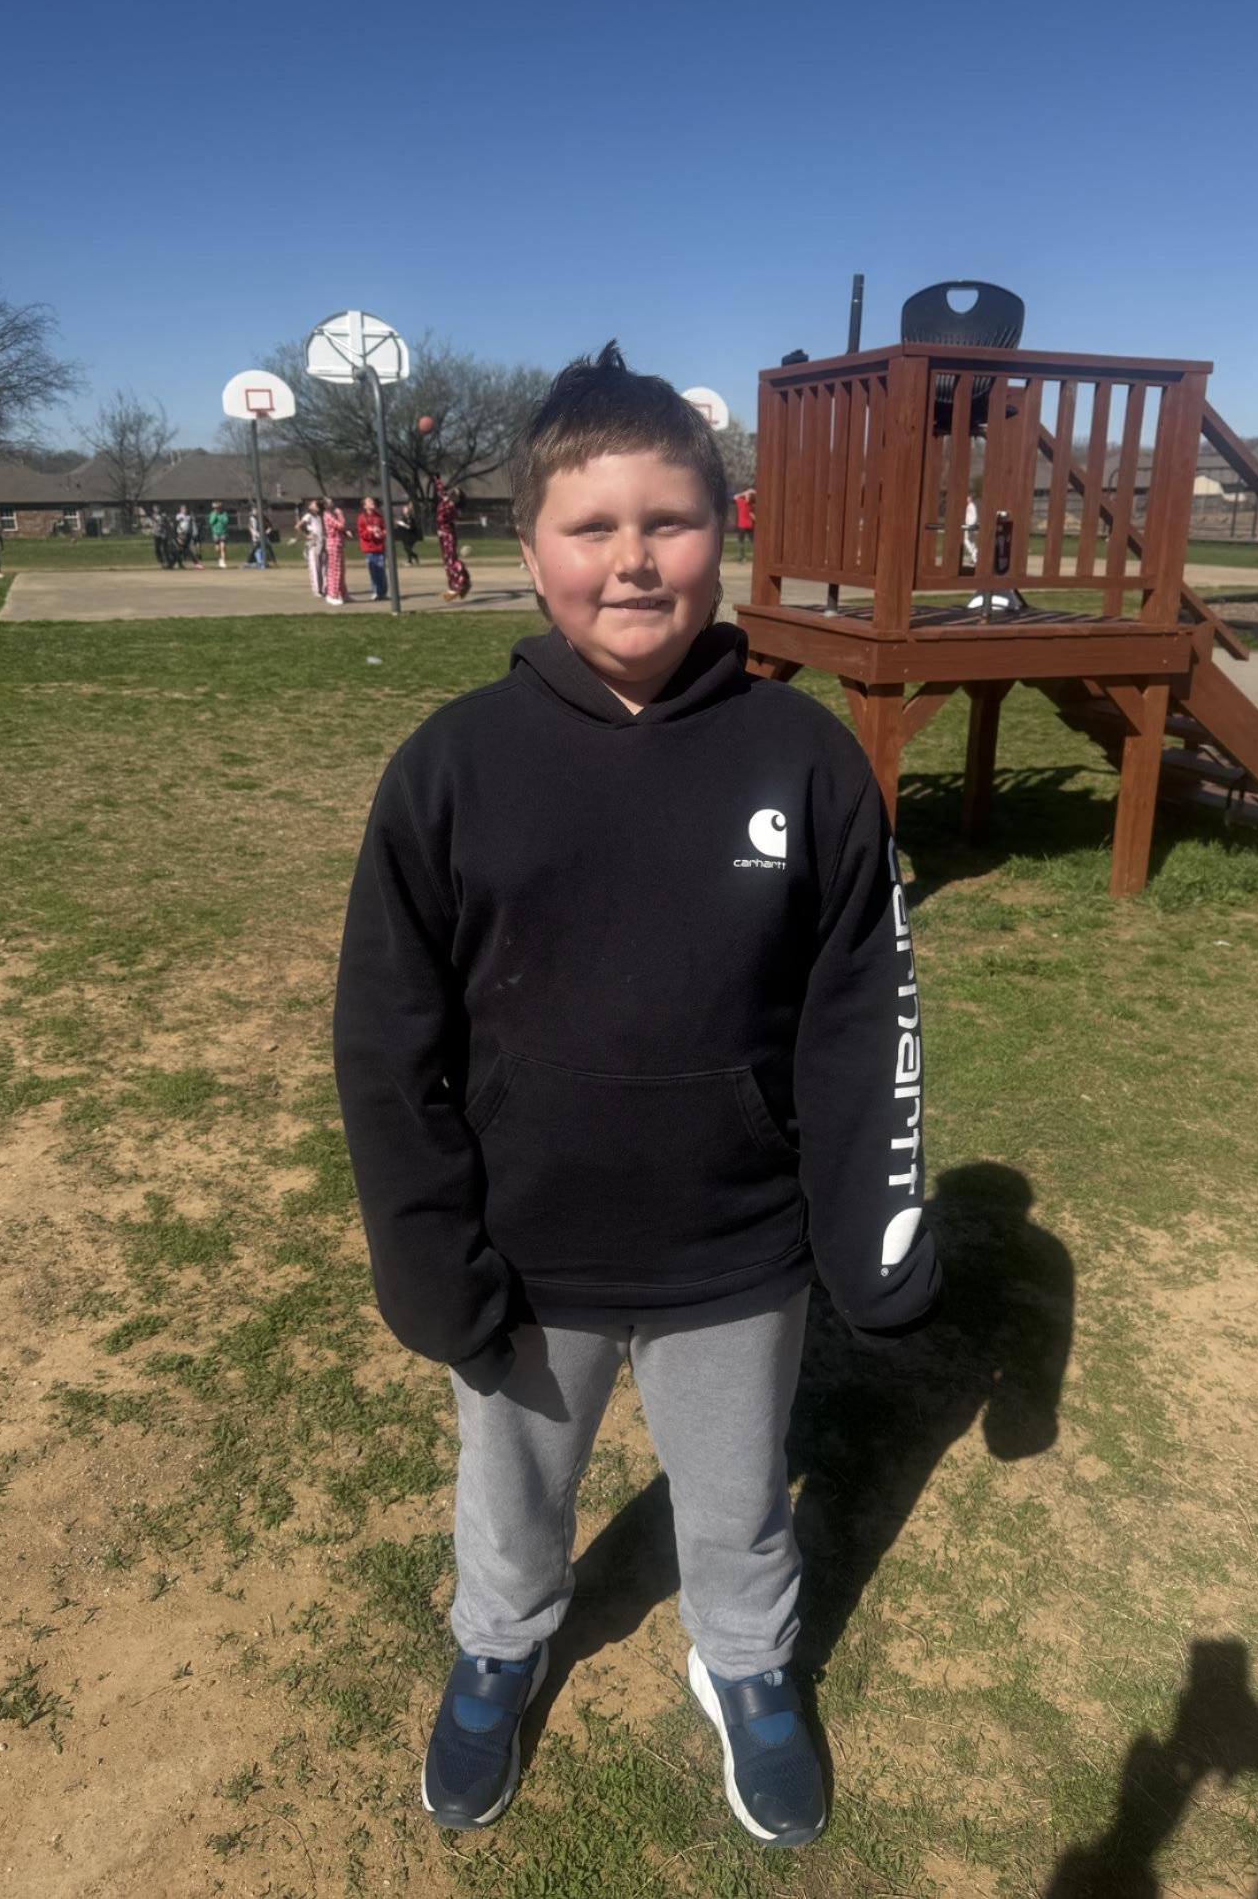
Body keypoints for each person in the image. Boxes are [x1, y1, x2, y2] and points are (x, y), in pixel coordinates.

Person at [332, 341, 937, 1847]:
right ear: (528, 543)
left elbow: (861, 1016)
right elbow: (386, 1041)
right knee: (512, 1493)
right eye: (591, 526)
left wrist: (870, 1225)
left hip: (734, 1250)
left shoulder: (805, 759)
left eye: (668, 520)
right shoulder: (452, 767)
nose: (633, 559)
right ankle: (501, 1642)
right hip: (525, 1252)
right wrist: (423, 1248)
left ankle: (747, 1659)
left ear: (722, 530)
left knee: (735, 1495)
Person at [432, 474, 471, 602]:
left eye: (455, 493)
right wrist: (436, 480)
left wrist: (441, 531)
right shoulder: (446, 501)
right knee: (447, 562)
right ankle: (457, 582)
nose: (452, 492)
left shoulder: (451, 507)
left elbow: (442, 519)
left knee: (451, 561)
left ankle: (459, 583)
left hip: (447, 535)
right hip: (443, 535)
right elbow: (441, 491)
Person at [357, 496, 388, 601]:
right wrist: (371, 532)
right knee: (373, 571)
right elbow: (362, 533)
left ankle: (382, 592)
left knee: (381, 571)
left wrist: (381, 533)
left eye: (372, 501)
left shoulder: (379, 517)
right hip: (369, 549)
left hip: (379, 548)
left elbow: (384, 530)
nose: (372, 503)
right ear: (365, 506)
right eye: (369, 502)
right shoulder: (361, 517)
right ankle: (375, 592)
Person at [296, 498, 326, 597]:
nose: (315, 505)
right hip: (313, 544)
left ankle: (324, 588)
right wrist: (307, 535)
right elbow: (298, 526)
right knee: (315, 567)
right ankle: (317, 590)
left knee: (323, 567)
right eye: (313, 504)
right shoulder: (308, 516)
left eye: (316, 504)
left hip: (322, 542)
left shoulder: (320, 516)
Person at [321, 498, 348, 606]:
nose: (332, 503)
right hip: (333, 544)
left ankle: (343, 593)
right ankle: (332, 595)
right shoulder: (327, 515)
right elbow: (340, 526)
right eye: (329, 502)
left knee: (341, 570)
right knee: (334, 570)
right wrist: (340, 514)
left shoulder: (332, 514)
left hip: (338, 543)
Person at [175, 504, 202, 569]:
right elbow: (177, 523)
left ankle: (177, 563)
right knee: (184, 549)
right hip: (181, 534)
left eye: (185, 509)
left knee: (183, 549)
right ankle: (196, 563)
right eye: (183, 509)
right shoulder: (179, 515)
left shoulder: (188, 517)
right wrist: (180, 533)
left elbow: (191, 524)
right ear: (181, 510)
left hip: (187, 534)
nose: (185, 510)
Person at [396, 499, 422, 565]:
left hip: (411, 536)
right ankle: (411, 560)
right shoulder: (403, 518)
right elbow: (401, 525)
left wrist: (403, 525)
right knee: (407, 548)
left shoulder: (411, 518)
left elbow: (410, 527)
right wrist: (398, 523)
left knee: (408, 548)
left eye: (406, 509)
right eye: (404, 510)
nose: (405, 511)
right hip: (405, 536)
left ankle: (413, 558)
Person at [734, 486, 756, 563]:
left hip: (742, 526)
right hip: (750, 525)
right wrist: (751, 491)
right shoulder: (752, 505)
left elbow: (736, 496)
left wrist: (745, 492)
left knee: (741, 542)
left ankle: (742, 558)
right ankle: (757, 556)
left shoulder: (741, 502)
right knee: (753, 542)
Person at [207, 501, 230, 568]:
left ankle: (223, 561)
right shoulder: (212, 514)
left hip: (223, 532)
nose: (216, 509)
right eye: (215, 508)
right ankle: (219, 558)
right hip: (215, 532)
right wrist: (215, 516)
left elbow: (226, 521)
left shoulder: (224, 514)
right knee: (218, 548)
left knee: (223, 547)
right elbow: (211, 522)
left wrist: (220, 517)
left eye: (218, 508)